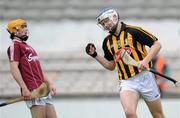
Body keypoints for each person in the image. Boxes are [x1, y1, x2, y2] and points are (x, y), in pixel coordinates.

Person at [85, 8, 165, 118]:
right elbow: (111, 66)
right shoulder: (107, 42)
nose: (106, 25)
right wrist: (95, 55)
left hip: (146, 77)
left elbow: (157, 45)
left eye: (106, 21)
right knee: (129, 112)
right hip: (127, 81)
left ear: (114, 17)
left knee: (158, 115)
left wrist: (146, 61)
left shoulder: (133, 31)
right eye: (103, 23)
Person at [6, 19, 57, 118]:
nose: (25, 29)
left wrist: (49, 83)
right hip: (33, 90)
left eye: (25, 26)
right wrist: (24, 88)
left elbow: (39, 71)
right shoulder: (15, 46)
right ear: (14, 31)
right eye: (22, 27)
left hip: (43, 89)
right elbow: (14, 68)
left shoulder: (28, 47)